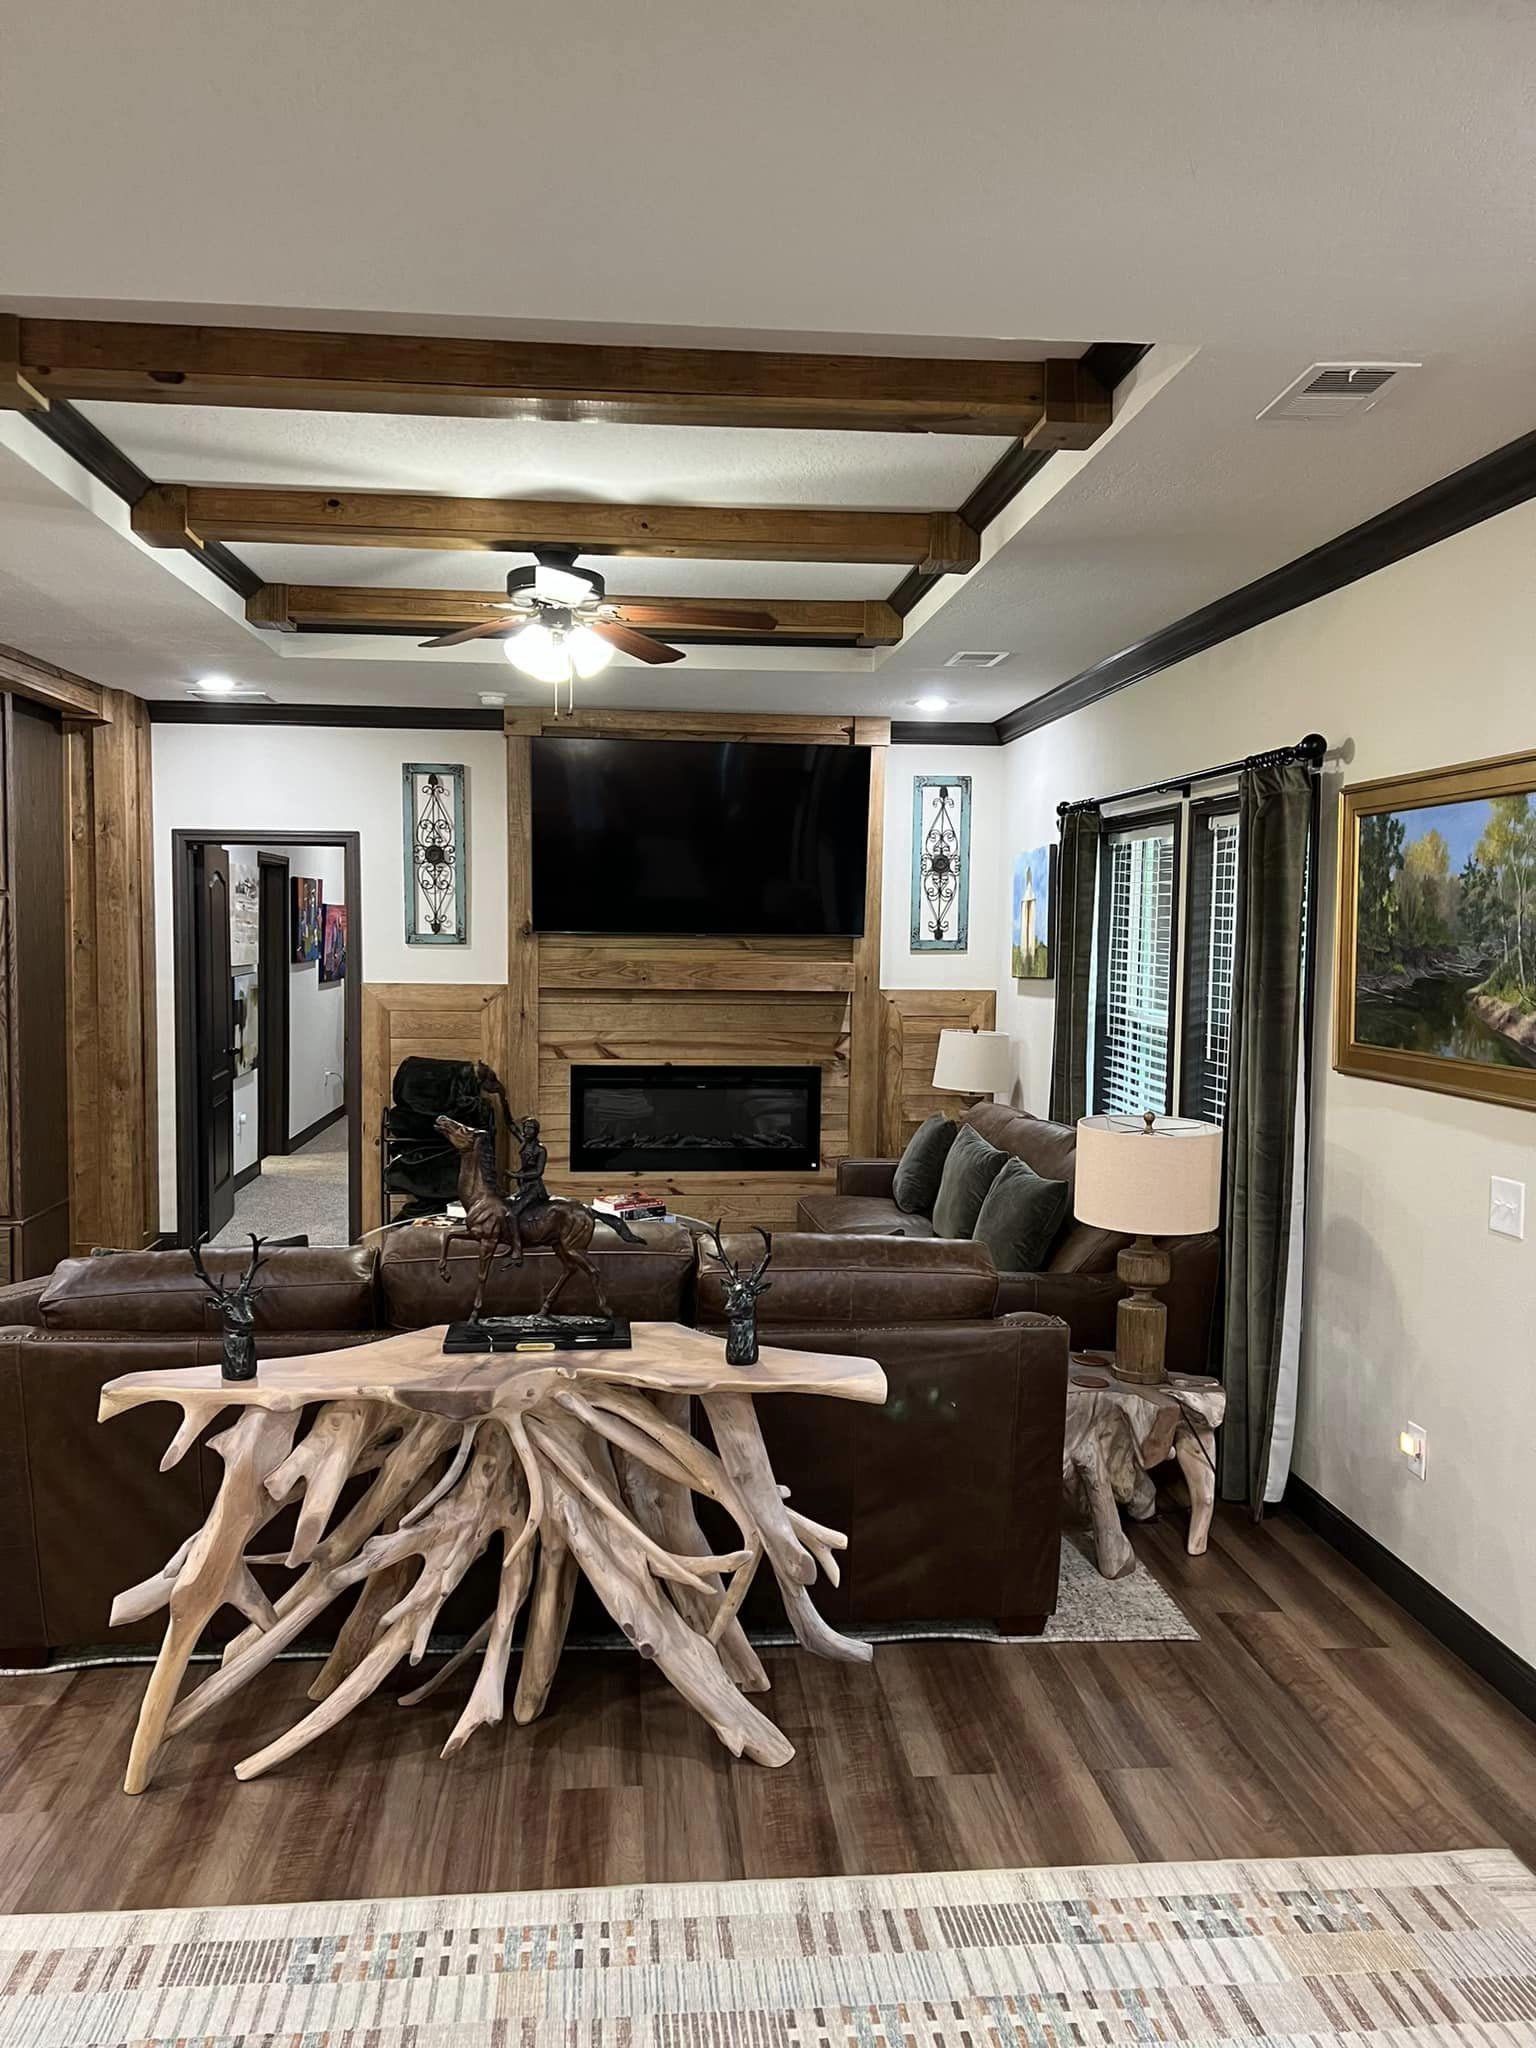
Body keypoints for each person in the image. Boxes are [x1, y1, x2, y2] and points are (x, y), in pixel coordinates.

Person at [504, 1115, 548, 1265]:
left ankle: (517, 1250)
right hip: (523, 1187)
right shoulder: (524, 1143)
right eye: (526, 1128)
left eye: (531, 1128)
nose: (527, 1131)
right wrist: (503, 1102)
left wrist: (515, 1175)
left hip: (534, 1188)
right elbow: (511, 1125)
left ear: (536, 1131)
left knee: (512, 1213)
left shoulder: (540, 1150)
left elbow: (538, 1172)